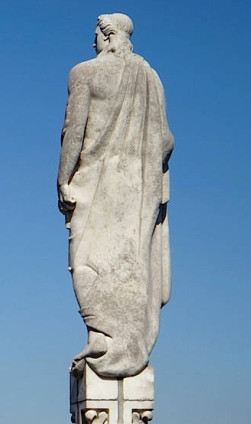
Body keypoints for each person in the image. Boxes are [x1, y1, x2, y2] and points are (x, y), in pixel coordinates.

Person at [58, 13, 173, 379]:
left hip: (95, 183)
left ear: (108, 36)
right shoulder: (151, 79)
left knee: (85, 260)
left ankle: (102, 336)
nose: (93, 42)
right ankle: (119, 340)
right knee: (130, 263)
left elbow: (73, 133)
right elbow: (166, 140)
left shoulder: (84, 73)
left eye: (96, 35)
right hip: (138, 188)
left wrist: (63, 180)